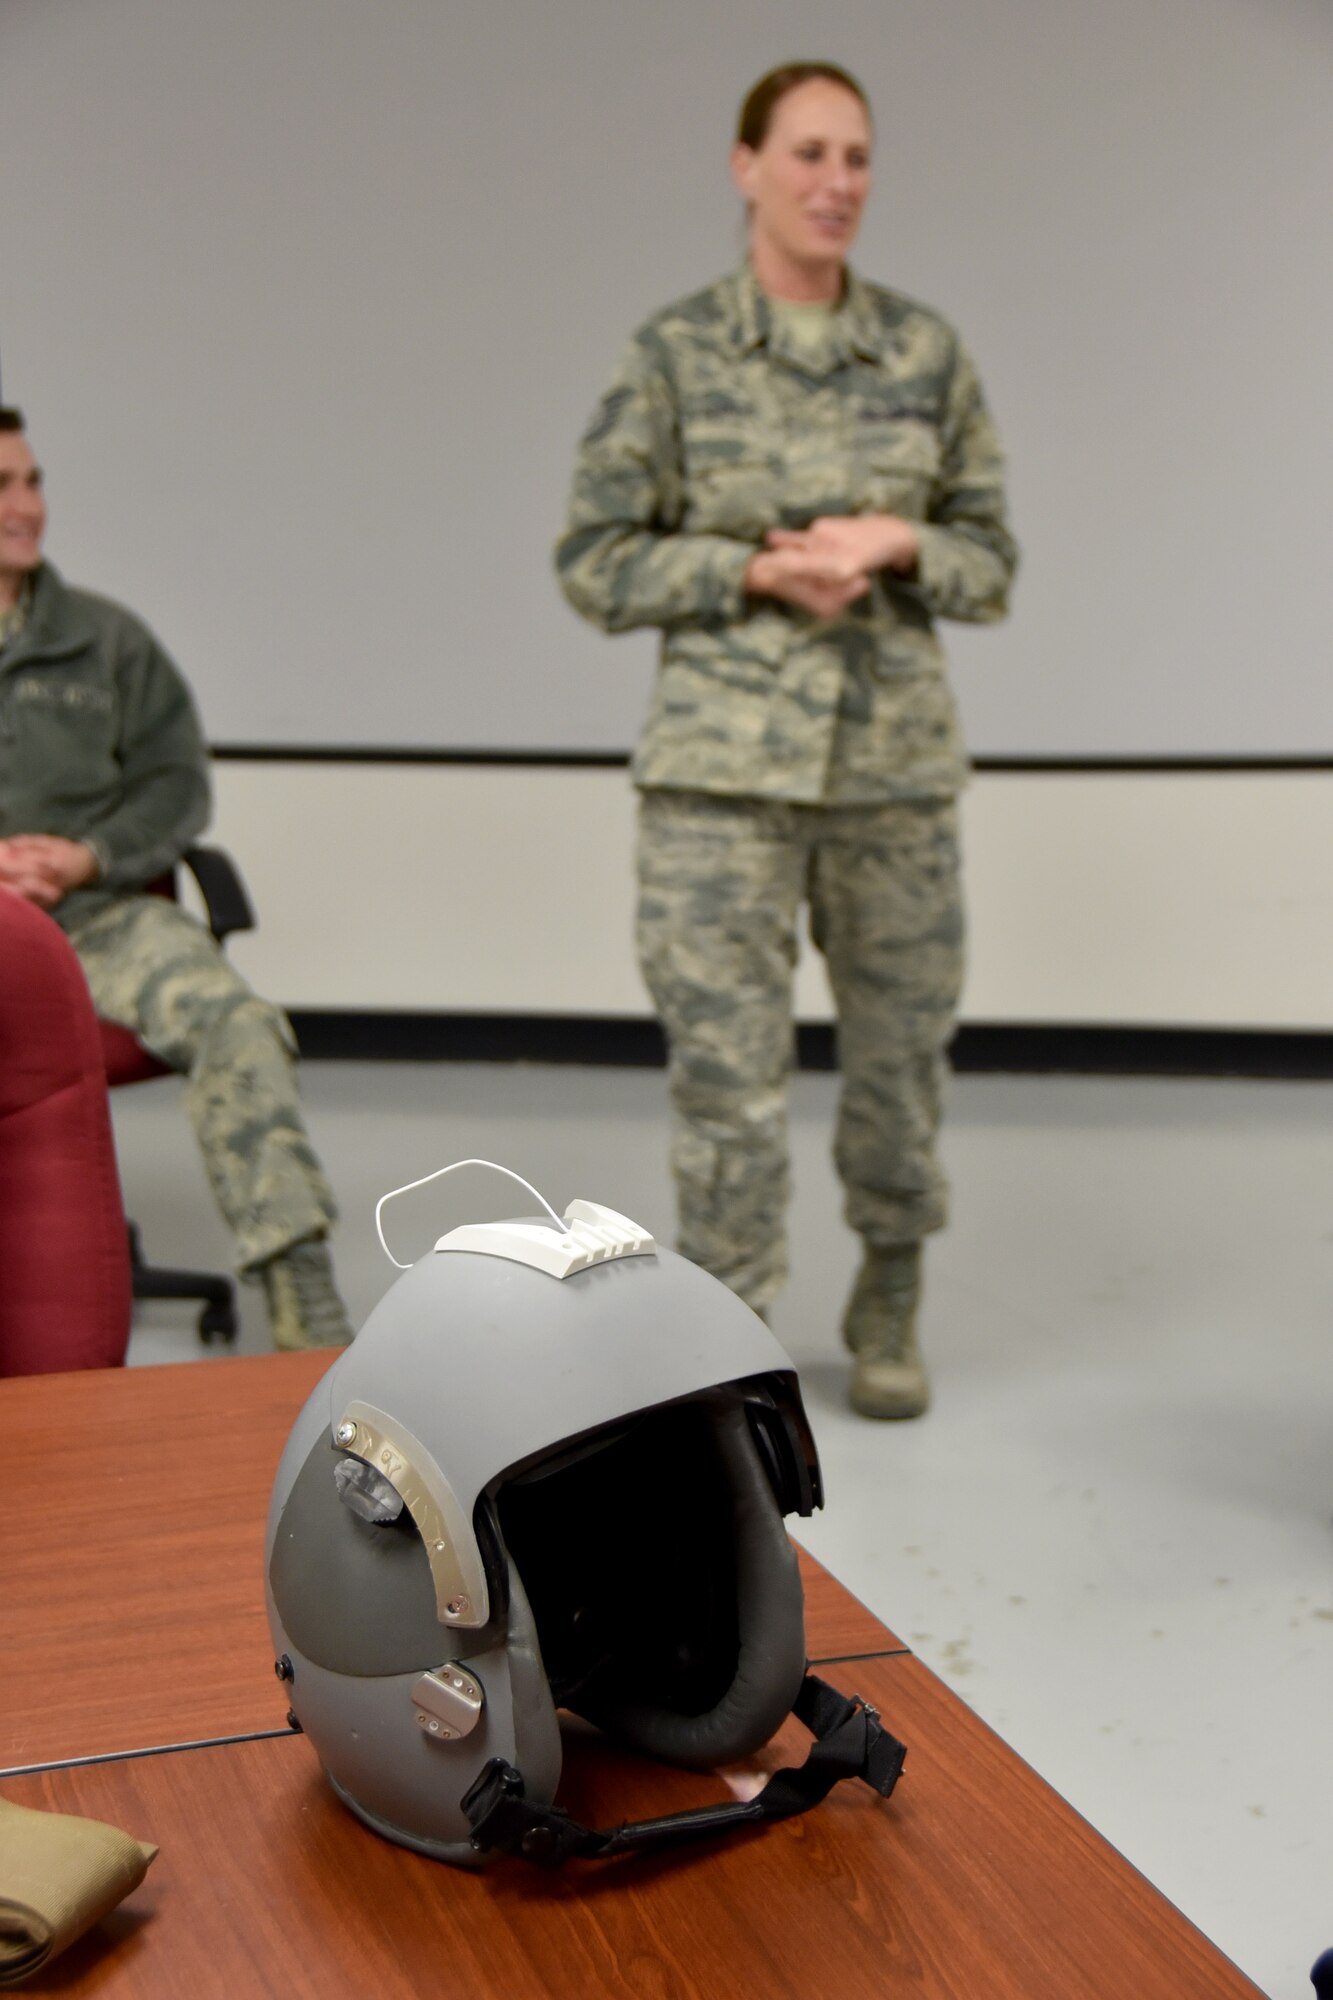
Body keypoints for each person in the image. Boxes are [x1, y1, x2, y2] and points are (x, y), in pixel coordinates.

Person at [555, 62, 1017, 1418]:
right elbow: (592, 562)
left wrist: (899, 540)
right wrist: (747, 574)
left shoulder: (925, 356)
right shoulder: (675, 355)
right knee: (725, 1082)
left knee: (897, 1063)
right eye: (809, 153)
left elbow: (991, 563)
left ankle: (889, 1302)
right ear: (745, 165)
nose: (837, 183)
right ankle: (730, 1339)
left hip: (890, 778)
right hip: (719, 781)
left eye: (859, 158)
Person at [0, 406, 352, 1350]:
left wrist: (88, 855)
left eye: (34, 482)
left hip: (99, 916)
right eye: (5, 486)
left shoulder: (106, 641)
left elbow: (176, 786)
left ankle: (304, 1305)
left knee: (237, 1022)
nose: (28, 507)